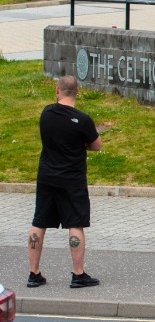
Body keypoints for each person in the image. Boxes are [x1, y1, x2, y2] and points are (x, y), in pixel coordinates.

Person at [27, 75, 102, 290]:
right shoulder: (83, 120)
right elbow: (96, 146)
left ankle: (34, 273)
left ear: (57, 91)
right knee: (75, 224)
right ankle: (78, 274)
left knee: (39, 222)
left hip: (46, 177)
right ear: (77, 92)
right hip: (72, 180)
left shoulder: (46, 114)